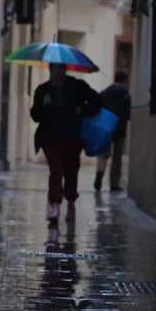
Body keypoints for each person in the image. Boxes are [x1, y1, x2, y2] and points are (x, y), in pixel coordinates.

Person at [31, 62, 100, 222]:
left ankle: (70, 202)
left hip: (72, 136)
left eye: (60, 68)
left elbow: (96, 102)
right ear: (49, 70)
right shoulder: (43, 90)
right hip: (50, 137)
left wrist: (82, 110)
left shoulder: (77, 86)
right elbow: (35, 116)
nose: (57, 71)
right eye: (54, 68)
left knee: (71, 170)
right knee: (56, 170)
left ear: (65, 69)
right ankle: (54, 204)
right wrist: (43, 105)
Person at [93, 71, 131, 192]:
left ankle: (99, 174)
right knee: (117, 157)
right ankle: (114, 183)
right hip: (120, 129)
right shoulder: (126, 96)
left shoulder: (104, 94)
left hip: (106, 128)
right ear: (124, 81)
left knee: (103, 154)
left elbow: (96, 108)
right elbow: (129, 115)